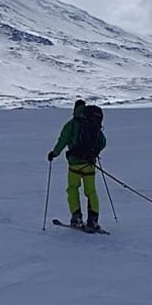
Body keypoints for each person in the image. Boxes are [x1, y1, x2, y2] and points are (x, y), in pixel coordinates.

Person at [47, 99, 106, 232]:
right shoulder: (93, 123)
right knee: (91, 191)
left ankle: (77, 217)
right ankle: (93, 220)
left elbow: (62, 141)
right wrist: (94, 152)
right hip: (90, 164)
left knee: (73, 189)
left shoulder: (71, 125)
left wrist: (53, 154)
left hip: (74, 165)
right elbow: (103, 142)